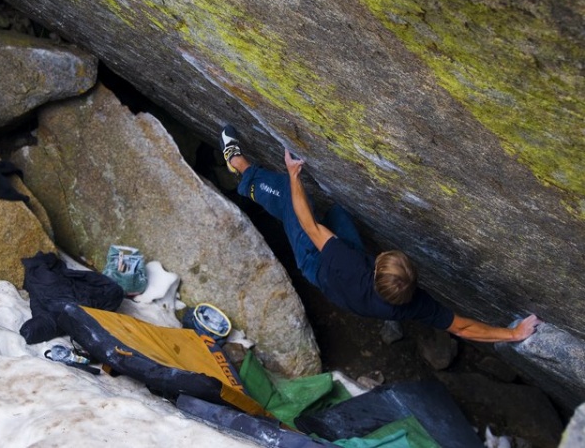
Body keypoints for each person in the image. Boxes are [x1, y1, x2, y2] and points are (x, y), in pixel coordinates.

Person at [220, 125, 540, 343]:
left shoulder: (348, 262)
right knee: (337, 213)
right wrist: (512, 334)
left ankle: (242, 170)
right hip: (344, 285)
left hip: (316, 264)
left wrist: (293, 174)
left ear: (375, 269)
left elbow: (309, 226)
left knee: (292, 199)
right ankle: (269, 194)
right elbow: (463, 327)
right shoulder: (415, 305)